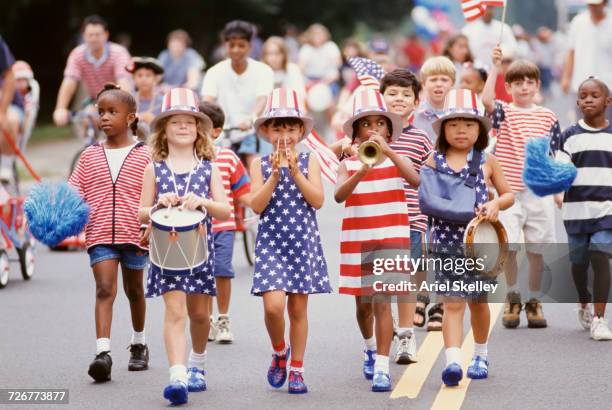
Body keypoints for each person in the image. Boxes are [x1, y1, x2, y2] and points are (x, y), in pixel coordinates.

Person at [139, 88, 231, 405]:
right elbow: (140, 210)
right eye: (174, 122)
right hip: (166, 251)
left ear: (198, 130)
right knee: (175, 312)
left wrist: (202, 201)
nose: (182, 127)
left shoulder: (208, 167)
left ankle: (198, 363)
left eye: (189, 123)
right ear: (163, 130)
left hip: (201, 250)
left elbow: (225, 210)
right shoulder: (155, 168)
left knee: (200, 314)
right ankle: (177, 374)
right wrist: (155, 206)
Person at [420, 89, 514, 386]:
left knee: (477, 301)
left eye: (469, 124)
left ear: (480, 129)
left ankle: (481, 354)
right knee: (452, 303)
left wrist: (496, 204)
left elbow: (509, 193)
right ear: (443, 129)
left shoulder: (487, 160)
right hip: (444, 242)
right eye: (454, 123)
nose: (461, 130)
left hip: (479, 244)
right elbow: (423, 194)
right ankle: (452, 361)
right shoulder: (432, 160)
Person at [335, 88, 419, 392]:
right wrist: (361, 169)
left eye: (380, 124)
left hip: (390, 238)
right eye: (367, 124)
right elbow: (338, 195)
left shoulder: (398, 158)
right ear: (357, 131)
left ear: (389, 128)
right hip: (358, 240)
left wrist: (390, 151)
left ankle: (382, 366)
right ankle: (370, 348)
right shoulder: (349, 162)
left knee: (383, 304)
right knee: (364, 307)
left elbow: (416, 179)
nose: (374, 129)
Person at [249, 88, 332, 394]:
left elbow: (318, 200)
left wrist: (295, 171)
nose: (284, 133)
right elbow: (256, 205)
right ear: (267, 131)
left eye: (291, 127)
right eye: (278, 127)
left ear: (300, 131)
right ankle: (279, 350)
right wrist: (273, 175)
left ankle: (297, 368)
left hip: (302, 242)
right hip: (271, 241)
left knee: (298, 310)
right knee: (273, 307)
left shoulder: (309, 161)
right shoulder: (258, 163)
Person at [68, 84, 151, 382]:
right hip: (100, 232)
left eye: (112, 112)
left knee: (135, 290)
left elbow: (155, 194)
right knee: (105, 289)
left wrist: (152, 224)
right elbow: (73, 190)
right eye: (101, 111)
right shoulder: (89, 156)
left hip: (135, 233)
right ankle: (103, 353)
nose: (104, 117)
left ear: (130, 117)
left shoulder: (146, 155)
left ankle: (139, 343)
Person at [482, 46, 562, 330]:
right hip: (510, 193)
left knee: (537, 249)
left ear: (537, 85)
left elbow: (555, 155)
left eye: (529, 82)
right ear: (509, 86)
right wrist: (495, 67)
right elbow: (487, 100)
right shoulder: (503, 112)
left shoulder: (548, 116)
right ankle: (513, 296)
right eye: (517, 82)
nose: (524, 87)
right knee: (511, 248)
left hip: (539, 192)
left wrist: (558, 190)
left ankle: (534, 300)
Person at [380, 69, 433, 364]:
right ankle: (383, 337)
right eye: (392, 93)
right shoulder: (366, 133)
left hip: (411, 219)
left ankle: (406, 336)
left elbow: (423, 180)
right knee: (382, 285)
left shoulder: (421, 138)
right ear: (382, 97)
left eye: (406, 95)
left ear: (416, 101)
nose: (399, 99)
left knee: (406, 282)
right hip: (376, 220)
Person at [555, 77, 612, 340]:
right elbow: (560, 170)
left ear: (607, 101)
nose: (589, 99)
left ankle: (600, 319)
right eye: (584, 96)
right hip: (576, 210)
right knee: (578, 263)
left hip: (606, 211)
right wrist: (557, 191)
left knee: (601, 255)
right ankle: (584, 301)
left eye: (595, 95)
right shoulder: (569, 136)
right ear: (577, 103)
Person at [199, 101, 251, 344]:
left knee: (222, 271)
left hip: (223, 227)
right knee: (202, 273)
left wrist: (257, 207)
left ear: (217, 131)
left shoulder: (228, 158)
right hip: (195, 228)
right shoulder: (185, 159)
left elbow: (243, 191)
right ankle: (206, 320)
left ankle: (223, 318)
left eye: (202, 125)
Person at [201, 20, 274, 168]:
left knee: (255, 164)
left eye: (241, 45)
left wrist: (251, 119)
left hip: (252, 131)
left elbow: (263, 98)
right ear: (225, 45)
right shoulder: (214, 72)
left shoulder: (263, 70)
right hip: (221, 133)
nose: (236, 50)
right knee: (216, 165)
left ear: (250, 46)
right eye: (231, 45)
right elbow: (208, 101)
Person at [53, 15, 131, 127]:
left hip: (120, 99)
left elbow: (124, 81)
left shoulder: (119, 53)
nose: (94, 38)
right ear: (84, 36)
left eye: (97, 35)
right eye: (90, 35)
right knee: (87, 120)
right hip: (96, 101)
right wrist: (60, 108)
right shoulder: (77, 54)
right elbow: (69, 81)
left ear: (106, 35)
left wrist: (125, 108)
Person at [561, 0, 612, 122]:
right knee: (582, 126)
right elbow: (571, 52)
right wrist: (566, 77)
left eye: (596, 4)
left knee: (607, 127)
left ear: (604, 3)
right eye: (590, 4)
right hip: (581, 83)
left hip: (608, 85)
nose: (592, 7)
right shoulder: (578, 22)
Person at [412, 56, 456, 144]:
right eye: (433, 80)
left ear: (452, 83)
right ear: (423, 84)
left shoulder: (459, 114)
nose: (439, 84)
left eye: (444, 80)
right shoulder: (414, 115)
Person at [0, 35, 25, 181]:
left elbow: (9, 76)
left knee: (9, 119)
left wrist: (2, 112)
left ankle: (5, 169)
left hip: (9, 104)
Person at [125, 57, 165, 140]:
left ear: (155, 79)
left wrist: (154, 121)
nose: (144, 79)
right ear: (134, 78)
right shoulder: (127, 100)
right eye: (139, 75)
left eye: (148, 75)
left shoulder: (163, 102)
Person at [298, 23, 342, 96]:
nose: (318, 36)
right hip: (309, 79)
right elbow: (300, 68)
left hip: (327, 79)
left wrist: (324, 81)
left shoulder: (331, 46)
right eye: (315, 34)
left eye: (320, 34)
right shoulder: (306, 48)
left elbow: (337, 65)